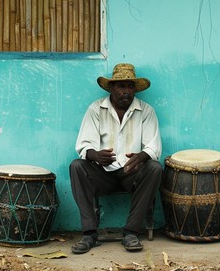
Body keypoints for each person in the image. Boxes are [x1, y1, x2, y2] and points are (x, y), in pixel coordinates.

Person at [69, 63, 162, 254]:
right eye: (121, 86)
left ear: (135, 89)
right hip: (103, 174)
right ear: (111, 88)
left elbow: (153, 146)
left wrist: (142, 157)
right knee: (77, 166)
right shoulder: (96, 109)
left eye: (130, 86)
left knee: (154, 167)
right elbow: (84, 144)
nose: (126, 91)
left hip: (132, 173)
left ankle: (131, 233)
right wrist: (95, 154)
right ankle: (89, 234)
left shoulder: (146, 111)